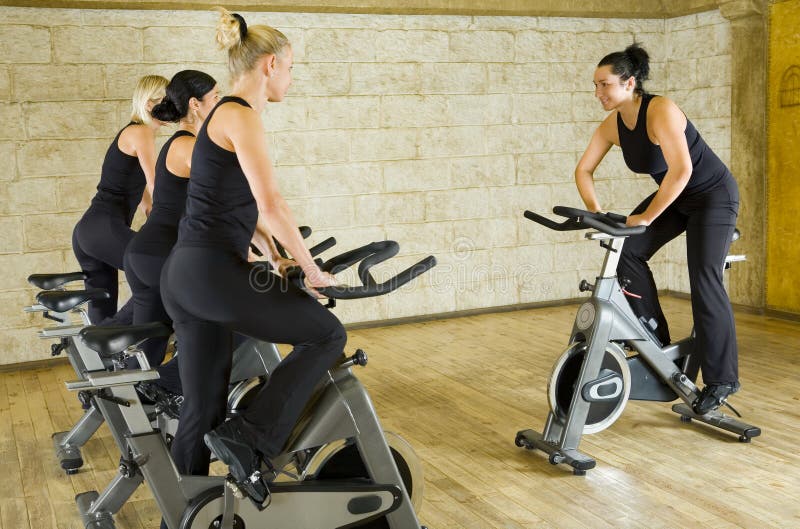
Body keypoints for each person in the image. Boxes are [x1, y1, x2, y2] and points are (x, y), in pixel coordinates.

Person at [160, 9, 346, 501]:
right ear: (269, 66)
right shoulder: (241, 115)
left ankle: (185, 512)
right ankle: (251, 435)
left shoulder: (221, 117)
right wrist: (310, 268)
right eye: (290, 67)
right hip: (212, 273)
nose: (290, 77)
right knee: (327, 334)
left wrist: (277, 256)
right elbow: (272, 203)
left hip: (184, 276)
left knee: (201, 409)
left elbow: (240, 207)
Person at [574, 43, 741, 415]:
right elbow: (583, 170)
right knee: (626, 251)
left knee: (703, 278)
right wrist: (596, 211)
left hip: (713, 196)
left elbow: (682, 171)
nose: (598, 93)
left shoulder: (661, 110)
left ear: (629, 82)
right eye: (595, 85)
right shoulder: (613, 124)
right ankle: (657, 342)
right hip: (677, 198)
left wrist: (646, 217)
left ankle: (723, 378)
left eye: (604, 84)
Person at [122, 71, 219, 386]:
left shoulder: (179, 143)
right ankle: (168, 388)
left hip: (147, 252)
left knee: (151, 347)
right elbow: (219, 202)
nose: (219, 104)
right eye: (215, 98)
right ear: (195, 105)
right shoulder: (189, 146)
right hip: (159, 253)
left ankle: (140, 406)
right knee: (211, 326)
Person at [72, 75, 168, 325]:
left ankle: (106, 356)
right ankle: (113, 334)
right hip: (102, 227)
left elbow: (148, 203)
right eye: (168, 102)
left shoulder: (134, 134)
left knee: (102, 309)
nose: (173, 108)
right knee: (162, 276)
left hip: (90, 231)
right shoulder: (142, 132)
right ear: (150, 104)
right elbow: (157, 185)